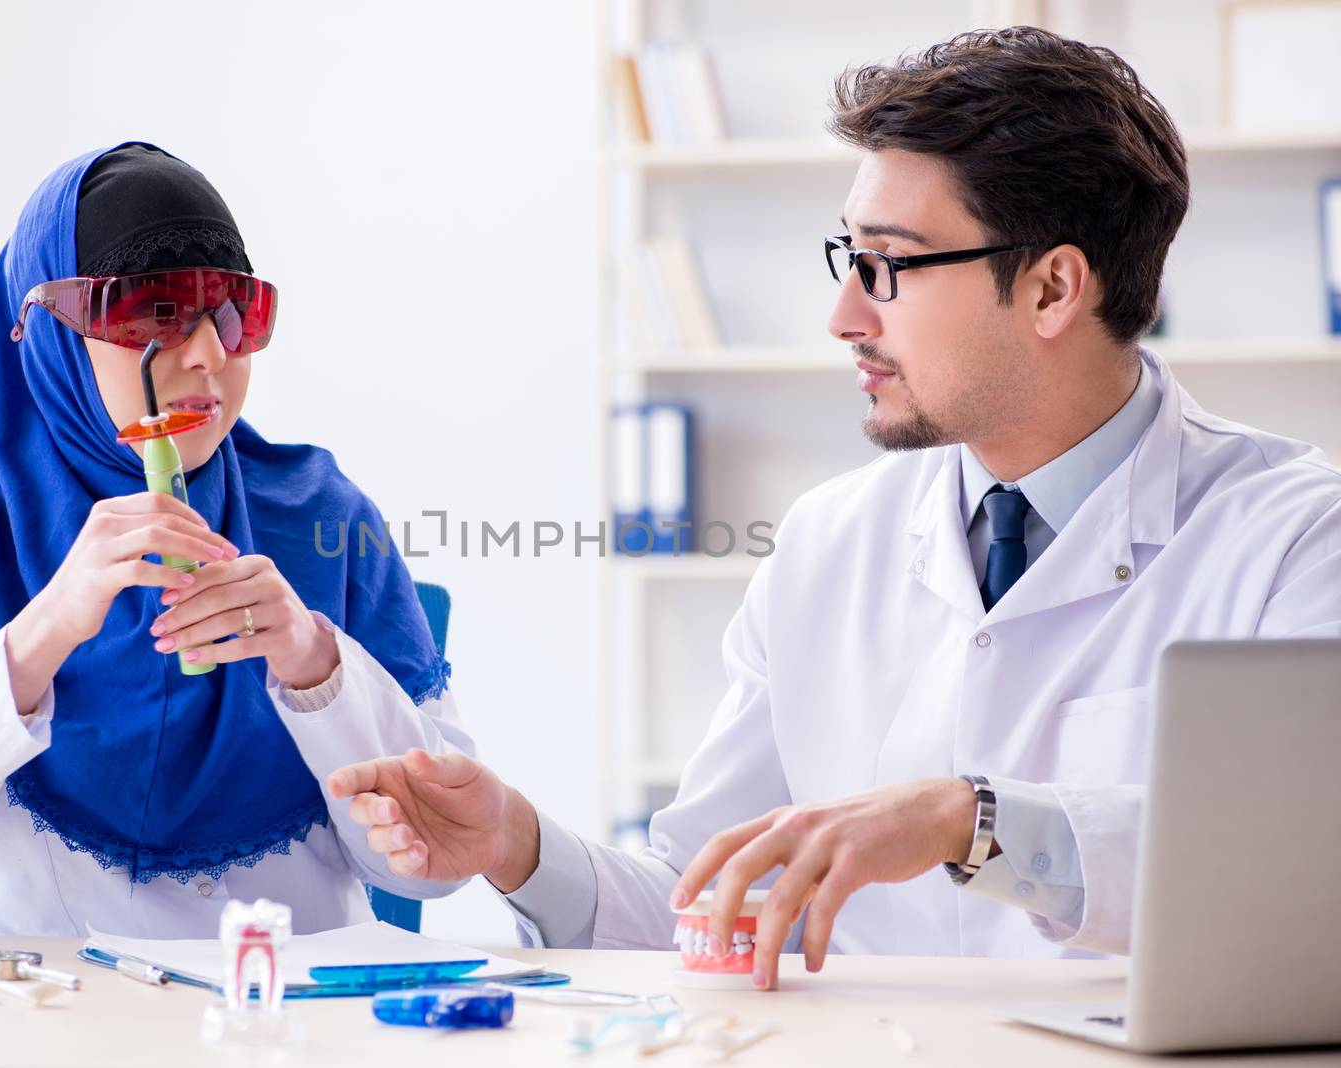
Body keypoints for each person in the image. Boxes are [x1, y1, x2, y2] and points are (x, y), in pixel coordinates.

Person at [327, 27, 1341, 989]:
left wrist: (970, 823)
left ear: (1051, 289)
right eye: (845, 257)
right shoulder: (826, 541)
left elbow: (1303, 880)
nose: (844, 314)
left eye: (887, 266)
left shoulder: (1296, 540)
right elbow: (706, 905)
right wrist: (520, 847)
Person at [0, 143, 472, 936]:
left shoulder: (325, 518)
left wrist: (313, 662)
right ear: (44, 334)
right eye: (157, 311)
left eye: (235, 312)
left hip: (295, 1026)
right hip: (54, 1030)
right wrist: (42, 634)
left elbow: (443, 865)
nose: (207, 353)